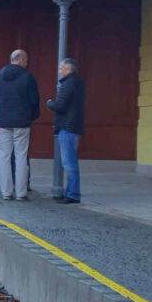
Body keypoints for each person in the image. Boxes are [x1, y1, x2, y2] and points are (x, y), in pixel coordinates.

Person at [0, 49, 39, 201]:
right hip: (22, 122)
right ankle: (21, 192)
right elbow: (34, 101)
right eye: (26, 60)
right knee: (21, 155)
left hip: (3, 122)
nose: (27, 63)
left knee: (4, 155)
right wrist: (31, 116)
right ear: (21, 60)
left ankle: (6, 192)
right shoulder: (28, 78)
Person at [46, 58, 86, 204]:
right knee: (70, 162)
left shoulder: (68, 84)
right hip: (73, 126)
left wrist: (49, 103)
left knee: (69, 163)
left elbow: (60, 105)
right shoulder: (78, 83)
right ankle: (71, 192)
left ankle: (73, 194)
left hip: (67, 127)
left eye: (61, 68)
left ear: (68, 70)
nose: (59, 71)